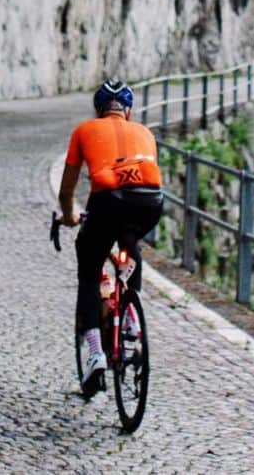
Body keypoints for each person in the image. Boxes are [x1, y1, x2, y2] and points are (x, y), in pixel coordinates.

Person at [58, 79, 163, 392]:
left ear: (98, 109)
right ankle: (131, 314)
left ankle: (94, 354)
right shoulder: (145, 132)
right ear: (128, 111)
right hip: (150, 201)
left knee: (90, 270)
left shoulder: (84, 130)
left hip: (108, 202)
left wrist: (68, 215)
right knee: (130, 246)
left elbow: (67, 189)